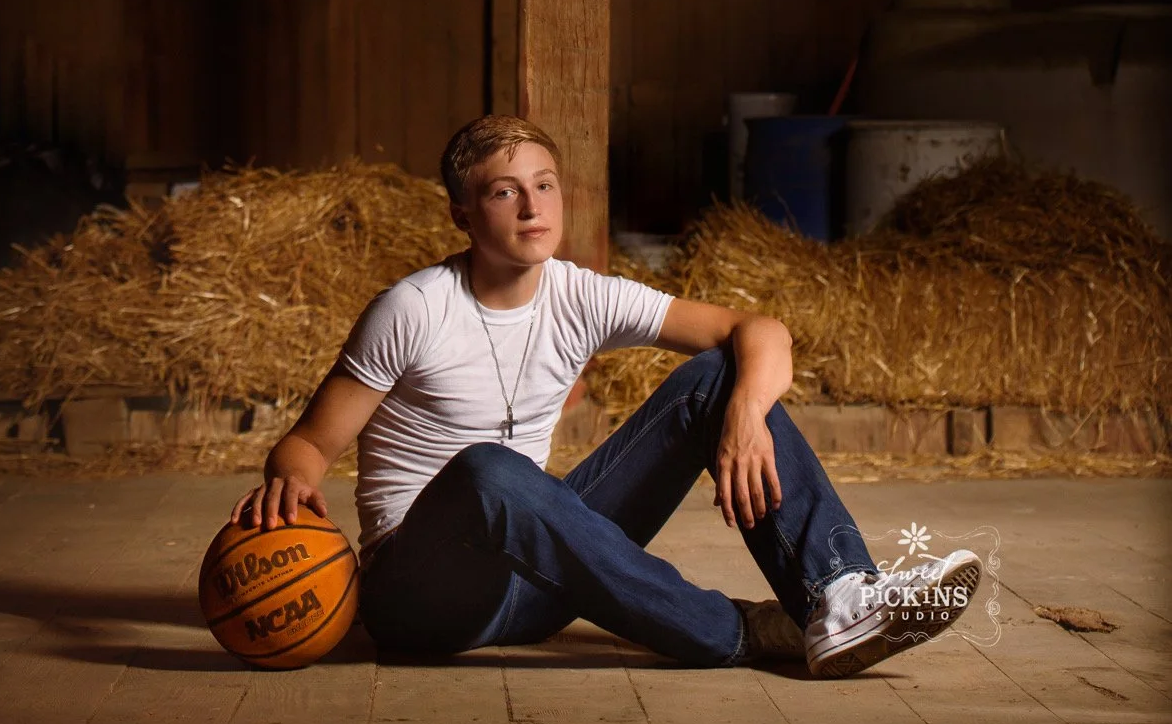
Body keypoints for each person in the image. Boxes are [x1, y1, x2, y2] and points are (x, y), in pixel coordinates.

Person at [233, 115, 981, 677]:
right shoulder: (413, 309)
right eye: (504, 190)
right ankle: (739, 632)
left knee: (714, 378)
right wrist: (289, 482)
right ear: (462, 213)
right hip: (420, 596)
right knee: (491, 470)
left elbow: (759, 330)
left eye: (544, 185)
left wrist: (745, 416)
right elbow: (310, 443)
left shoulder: (580, 295)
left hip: (535, 583)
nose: (531, 206)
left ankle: (839, 595)